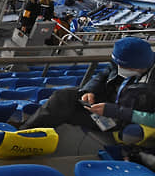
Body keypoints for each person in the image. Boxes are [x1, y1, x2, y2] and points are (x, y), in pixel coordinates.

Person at [20, 37, 155, 133]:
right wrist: (89, 91)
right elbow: (103, 75)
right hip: (106, 103)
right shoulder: (124, 60)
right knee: (64, 95)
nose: (119, 68)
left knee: (63, 112)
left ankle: (30, 135)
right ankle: (24, 132)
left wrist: (115, 111)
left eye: (123, 66)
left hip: (121, 118)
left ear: (140, 66)